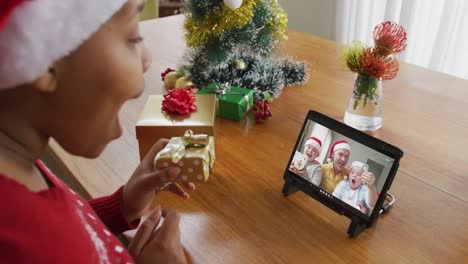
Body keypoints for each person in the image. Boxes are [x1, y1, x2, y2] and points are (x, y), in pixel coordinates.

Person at [0, 1, 192, 263]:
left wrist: (121, 207)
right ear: (46, 60)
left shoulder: (17, 171)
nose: (147, 60)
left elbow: (67, 235)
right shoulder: (33, 242)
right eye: (133, 38)